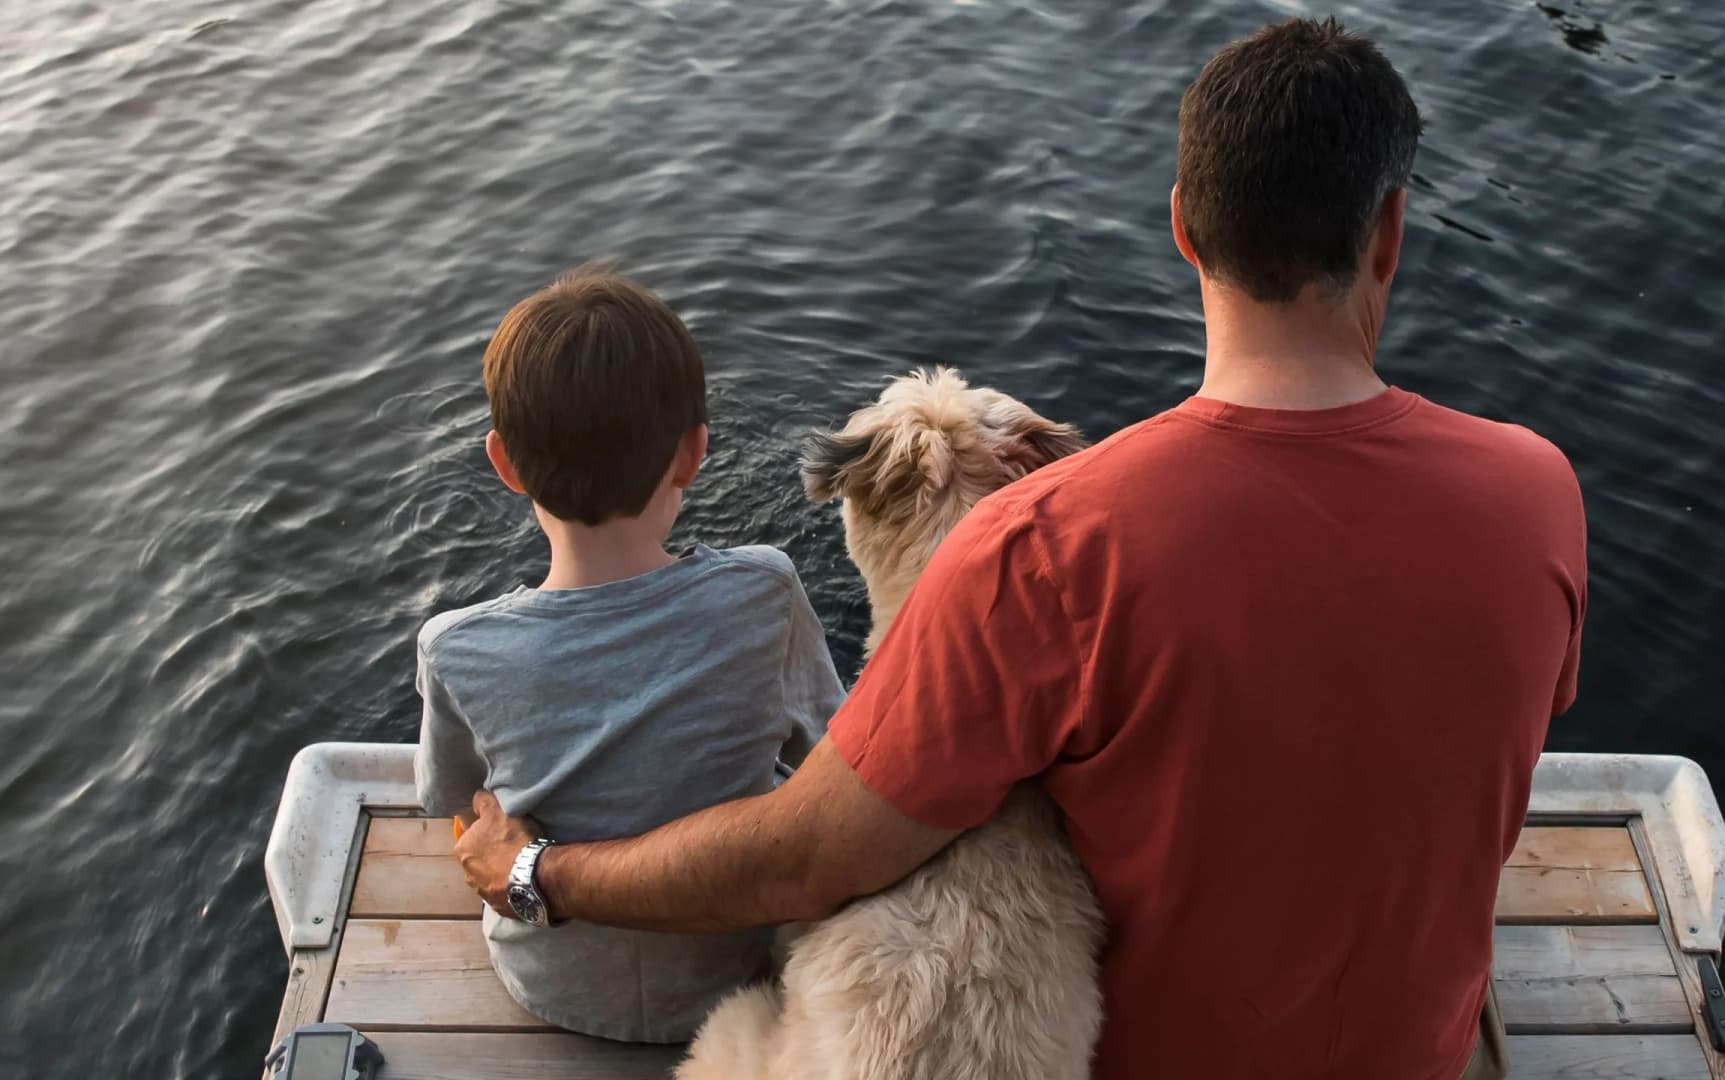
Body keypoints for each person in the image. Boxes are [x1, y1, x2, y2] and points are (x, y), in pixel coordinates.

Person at [456, 19, 1586, 1080]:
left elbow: (806, 858)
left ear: (1183, 226)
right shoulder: (1536, 493)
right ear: (1389, 232)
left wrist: (539, 872)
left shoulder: (1046, 547)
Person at [413, 268, 841, 1043]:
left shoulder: (456, 647)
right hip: (735, 980)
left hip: (549, 986)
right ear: (693, 454)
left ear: (505, 464)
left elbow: (462, 811)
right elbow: (829, 753)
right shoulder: (764, 591)